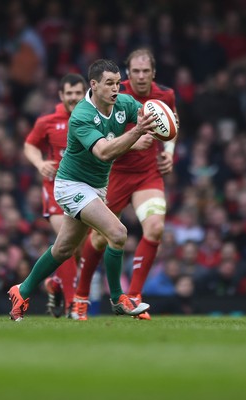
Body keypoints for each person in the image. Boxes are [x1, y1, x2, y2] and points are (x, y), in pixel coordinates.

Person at [8, 58, 156, 321]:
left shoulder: (122, 103)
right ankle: (119, 299)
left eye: (117, 83)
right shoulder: (82, 115)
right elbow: (103, 152)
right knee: (118, 233)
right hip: (71, 185)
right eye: (109, 84)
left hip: (97, 187)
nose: (115, 89)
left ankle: (23, 290)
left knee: (64, 249)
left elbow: (147, 114)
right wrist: (135, 135)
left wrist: (163, 122)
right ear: (94, 85)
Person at [71, 48, 178, 321]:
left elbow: (172, 124)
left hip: (147, 174)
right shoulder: (115, 92)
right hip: (114, 174)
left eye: (146, 71)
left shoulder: (165, 95)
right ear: (128, 73)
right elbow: (104, 138)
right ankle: (80, 297)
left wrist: (168, 153)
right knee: (98, 238)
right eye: (136, 71)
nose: (141, 76)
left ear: (154, 73)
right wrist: (134, 140)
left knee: (155, 229)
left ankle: (134, 297)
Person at [24, 73, 87, 317]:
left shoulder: (94, 118)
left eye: (77, 93)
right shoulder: (48, 121)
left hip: (84, 189)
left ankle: (57, 283)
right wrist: (39, 164)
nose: (73, 97)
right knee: (67, 242)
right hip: (55, 188)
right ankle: (73, 304)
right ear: (61, 95)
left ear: (85, 94)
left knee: (81, 249)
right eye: (69, 93)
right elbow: (29, 144)